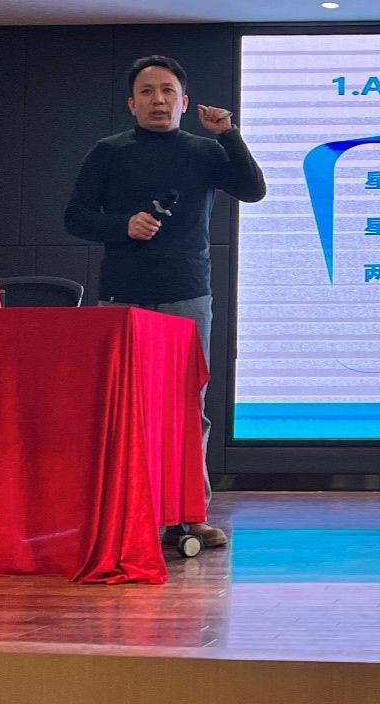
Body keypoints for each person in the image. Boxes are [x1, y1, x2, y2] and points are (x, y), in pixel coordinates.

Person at [65, 55, 267, 548]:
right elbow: (75, 217)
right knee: (126, 406)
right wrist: (122, 225)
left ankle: (191, 513)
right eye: (148, 91)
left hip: (187, 294)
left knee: (187, 408)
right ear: (131, 103)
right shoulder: (109, 152)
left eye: (168, 91)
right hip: (124, 296)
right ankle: (127, 512)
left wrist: (229, 135)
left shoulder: (205, 150)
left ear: (184, 101)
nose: (158, 100)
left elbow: (253, 190)